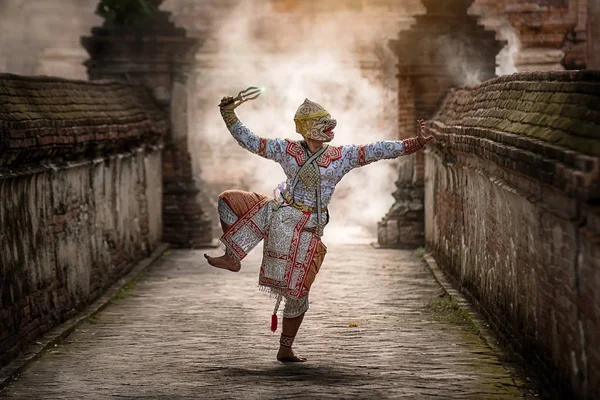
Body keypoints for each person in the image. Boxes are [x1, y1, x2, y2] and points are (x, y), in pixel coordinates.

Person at [205, 93, 434, 362]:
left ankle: (285, 348)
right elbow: (251, 141)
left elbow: (375, 150)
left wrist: (415, 143)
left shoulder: (341, 156)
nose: (331, 128)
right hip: (279, 215)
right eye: (324, 124)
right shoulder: (286, 150)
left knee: (298, 292)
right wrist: (228, 113)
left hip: (308, 231)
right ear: (308, 128)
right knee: (227, 201)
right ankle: (233, 257)